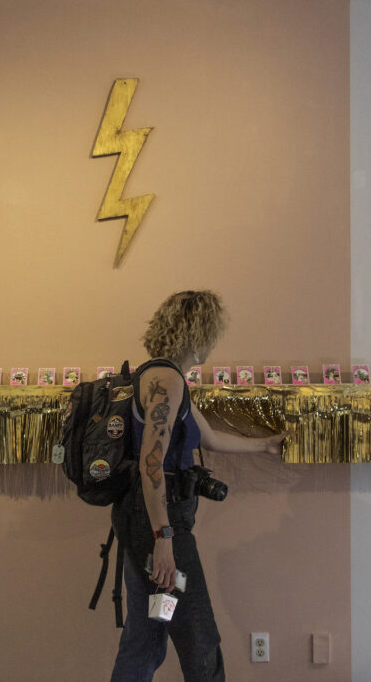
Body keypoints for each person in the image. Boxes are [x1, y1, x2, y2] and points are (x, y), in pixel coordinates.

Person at [110, 290, 288, 682]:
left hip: (142, 524)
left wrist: (264, 445)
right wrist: (164, 540)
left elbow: (209, 438)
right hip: (159, 528)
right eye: (212, 333)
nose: (214, 342)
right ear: (198, 333)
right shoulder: (168, 381)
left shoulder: (163, 378)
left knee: (148, 637)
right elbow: (151, 464)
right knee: (199, 639)